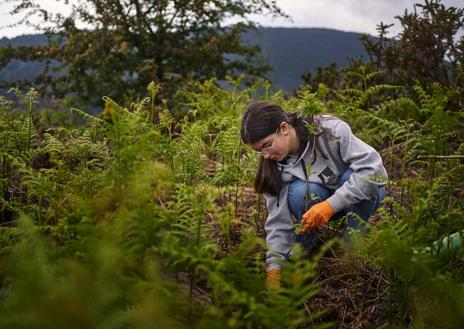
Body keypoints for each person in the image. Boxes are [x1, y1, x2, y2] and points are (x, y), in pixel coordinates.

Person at [240, 101, 388, 287]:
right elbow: (278, 221)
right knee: (299, 193)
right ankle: (304, 253)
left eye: (267, 145)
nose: (265, 155)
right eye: (258, 151)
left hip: (362, 198)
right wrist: (274, 268)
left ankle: (351, 250)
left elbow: (374, 172)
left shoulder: (330, 131)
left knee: (354, 175)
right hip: (322, 204)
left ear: (284, 128)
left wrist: (329, 205)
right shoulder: (274, 165)